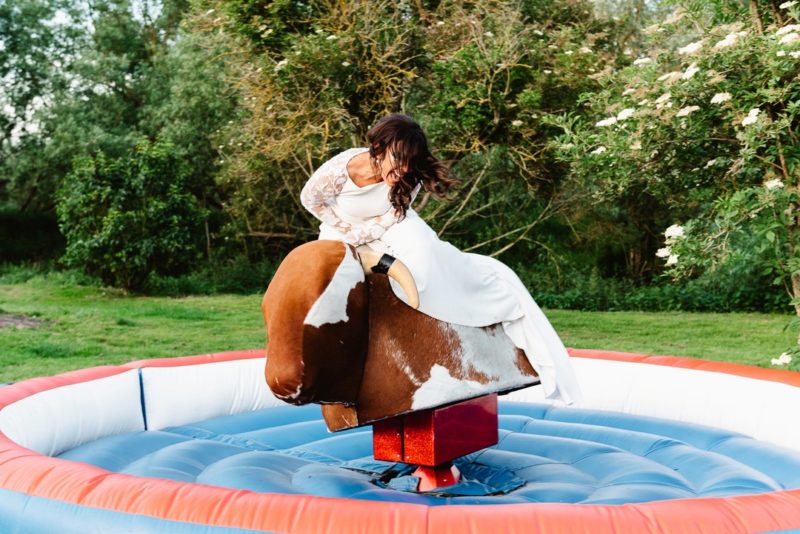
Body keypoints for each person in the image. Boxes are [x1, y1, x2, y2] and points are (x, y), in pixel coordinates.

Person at [300, 113, 582, 405]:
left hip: (386, 225)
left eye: (410, 161)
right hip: (341, 225)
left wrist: (370, 233)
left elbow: (393, 215)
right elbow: (310, 200)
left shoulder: (408, 177)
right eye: (398, 157)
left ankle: (462, 301)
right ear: (379, 148)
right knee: (330, 275)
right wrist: (351, 232)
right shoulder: (342, 168)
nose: (404, 168)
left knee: (425, 248)